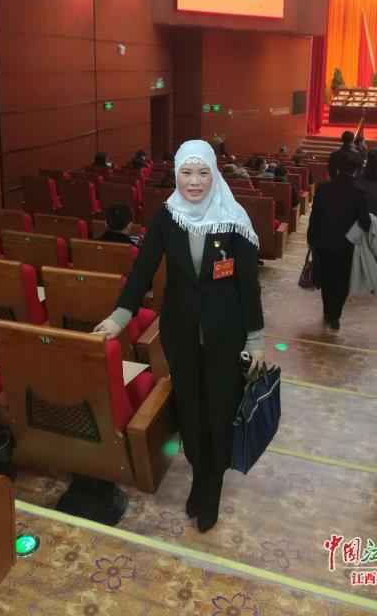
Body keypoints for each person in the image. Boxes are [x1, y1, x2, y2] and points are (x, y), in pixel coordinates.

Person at [94, 140, 264, 533]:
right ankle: (198, 475)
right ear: (176, 175)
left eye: (203, 172)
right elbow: (142, 270)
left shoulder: (233, 219)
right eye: (187, 173)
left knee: (219, 412)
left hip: (225, 336)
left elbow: (248, 285)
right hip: (181, 335)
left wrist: (255, 338)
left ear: (214, 174)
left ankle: (212, 487)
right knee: (190, 411)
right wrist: (120, 317)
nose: (194, 181)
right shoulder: (167, 216)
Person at [307, 153, 371, 329]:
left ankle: (327, 310)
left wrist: (311, 237)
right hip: (346, 244)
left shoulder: (323, 187)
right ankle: (335, 314)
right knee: (342, 279)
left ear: (337, 168)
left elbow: (315, 215)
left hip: (323, 240)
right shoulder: (360, 192)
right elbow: (365, 222)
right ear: (356, 170)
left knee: (326, 277)